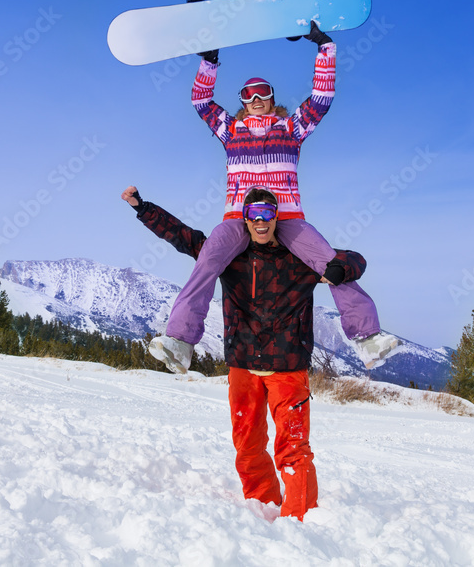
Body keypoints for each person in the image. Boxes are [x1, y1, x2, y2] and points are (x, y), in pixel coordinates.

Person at [122, 184, 372, 520]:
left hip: (288, 366)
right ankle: (262, 506)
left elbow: (353, 259)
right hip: (242, 364)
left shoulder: (300, 258)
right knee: (247, 445)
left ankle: (302, 519)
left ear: (276, 217)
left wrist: (342, 269)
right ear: (245, 219)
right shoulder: (229, 257)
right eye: (254, 214)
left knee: (293, 449)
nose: (261, 221)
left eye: (268, 213)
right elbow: (184, 237)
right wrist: (143, 208)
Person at [156, 21, 398, 368]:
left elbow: (321, 99)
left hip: (287, 218)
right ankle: (179, 341)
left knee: (331, 264)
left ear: (272, 98)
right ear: (241, 102)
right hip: (239, 218)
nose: (255, 99)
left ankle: (367, 338)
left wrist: (325, 48)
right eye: (247, 95)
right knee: (209, 260)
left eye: (263, 93)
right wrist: (209, 62)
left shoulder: (292, 128)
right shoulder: (231, 129)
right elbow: (201, 100)